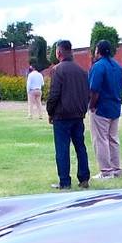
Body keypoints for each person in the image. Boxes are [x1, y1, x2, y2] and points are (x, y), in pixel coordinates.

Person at [46, 40, 90, 190]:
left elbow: (54, 94)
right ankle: (84, 178)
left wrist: (50, 112)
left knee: (62, 149)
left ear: (59, 52)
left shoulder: (57, 70)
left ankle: (64, 181)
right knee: (80, 147)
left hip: (62, 116)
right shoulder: (82, 71)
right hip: (78, 115)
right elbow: (87, 94)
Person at [88, 39, 122, 179]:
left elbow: (94, 89)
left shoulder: (98, 67)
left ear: (98, 51)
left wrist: (91, 105)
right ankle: (116, 168)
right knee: (113, 138)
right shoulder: (118, 67)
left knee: (101, 139)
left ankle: (106, 171)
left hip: (101, 108)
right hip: (115, 107)